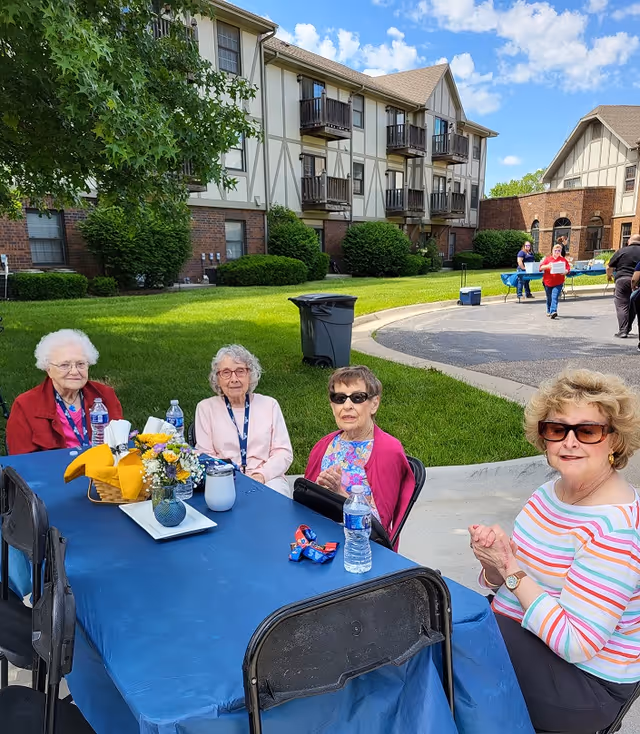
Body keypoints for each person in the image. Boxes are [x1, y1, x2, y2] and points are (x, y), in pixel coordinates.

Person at [469, 369, 640, 734]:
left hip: (586, 684)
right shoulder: (547, 495)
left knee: (452, 645)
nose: (570, 442)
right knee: (442, 622)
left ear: (614, 441)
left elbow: (577, 644)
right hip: (529, 642)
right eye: (557, 429)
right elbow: (511, 584)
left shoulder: (615, 531)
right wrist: (495, 565)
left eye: (588, 431)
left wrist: (511, 570)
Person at [304, 365, 414, 543]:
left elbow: (379, 528)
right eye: (339, 398)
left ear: (374, 404)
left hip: (360, 548)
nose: (347, 406)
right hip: (319, 540)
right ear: (332, 406)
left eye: (357, 398)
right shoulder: (323, 446)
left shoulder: (388, 450)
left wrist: (339, 494)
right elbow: (304, 505)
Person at [195, 344, 293, 496]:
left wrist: (260, 475)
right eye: (226, 373)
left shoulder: (269, 404)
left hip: (267, 478)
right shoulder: (206, 408)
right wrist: (231, 476)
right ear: (217, 378)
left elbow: (283, 452)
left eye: (240, 371)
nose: (234, 379)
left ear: (250, 374)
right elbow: (205, 455)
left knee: (276, 501)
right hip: (224, 478)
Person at [6, 329, 123, 455]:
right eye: (64, 365)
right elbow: (21, 461)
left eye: (81, 364)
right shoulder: (25, 405)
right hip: (51, 471)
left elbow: (120, 444)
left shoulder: (105, 395)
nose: (74, 371)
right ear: (48, 369)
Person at [607, 233, 640, 338]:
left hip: (622, 279)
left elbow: (609, 267)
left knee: (622, 305)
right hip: (638, 281)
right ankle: (628, 327)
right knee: (634, 303)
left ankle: (623, 330)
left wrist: (609, 276)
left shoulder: (622, 251)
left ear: (629, 241)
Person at [539, 243, 570, 318]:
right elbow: (540, 268)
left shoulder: (563, 260)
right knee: (549, 297)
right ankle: (549, 310)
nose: (557, 252)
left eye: (559, 251)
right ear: (552, 251)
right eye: (555, 250)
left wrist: (565, 271)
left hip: (558, 282)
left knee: (554, 296)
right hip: (548, 282)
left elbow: (568, 269)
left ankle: (553, 311)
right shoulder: (548, 259)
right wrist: (547, 266)